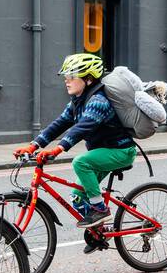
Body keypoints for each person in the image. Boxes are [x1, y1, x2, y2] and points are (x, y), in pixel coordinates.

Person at [14, 53, 136, 229]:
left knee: (81, 162)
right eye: (66, 76)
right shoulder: (77, 102)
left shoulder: (98, 101)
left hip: (121, 151)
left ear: (88, 79)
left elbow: (81, 129)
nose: (67, 80)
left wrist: (57, 150)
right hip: (101, 152)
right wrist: (33, 145)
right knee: (78, 198)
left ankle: (101, 210)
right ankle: (99, 233)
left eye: (72, 76)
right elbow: (59, 124)